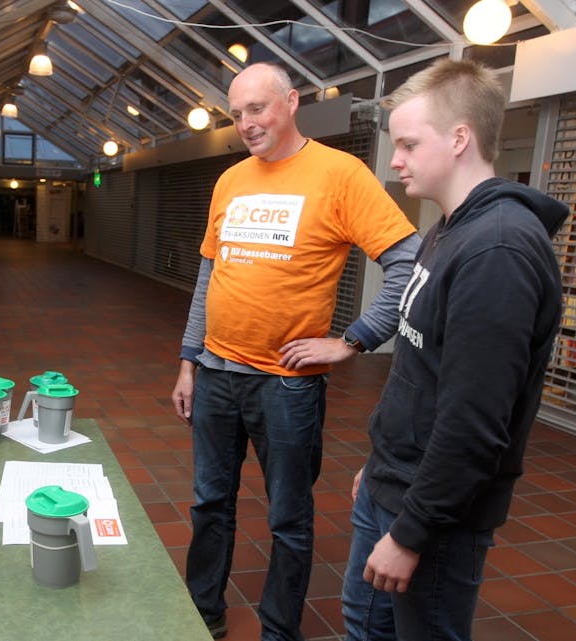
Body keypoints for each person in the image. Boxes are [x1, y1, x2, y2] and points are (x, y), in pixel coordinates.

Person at [171, 61, 421, 641]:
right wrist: (188, 361)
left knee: (288, 518)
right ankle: (202, 613)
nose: (246, 124)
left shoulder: (340, 173)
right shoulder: (230, 180)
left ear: (291, 102)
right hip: (215, 372)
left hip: (285, 384)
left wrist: (353, 340)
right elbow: (208, 278)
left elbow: (408, 263)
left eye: (257, 109)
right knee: (209, 502)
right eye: (237, 114)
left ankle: (279, 629)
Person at [339, 59, 568, 641]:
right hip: (396, 485)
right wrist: (381, 467)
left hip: (435, 517)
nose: (395, 160)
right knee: (364, 627)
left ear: (460, 138)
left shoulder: (498, 251)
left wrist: (411, 531)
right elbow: (420, 370)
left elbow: (475, 424)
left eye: (409, 144)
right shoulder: (447, 229)